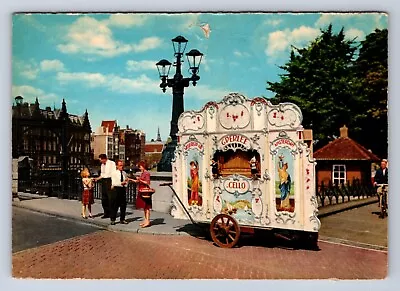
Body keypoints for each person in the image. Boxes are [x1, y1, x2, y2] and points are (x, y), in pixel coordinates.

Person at [93, 154, 116, 219]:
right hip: (104, 181)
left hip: (110, 180)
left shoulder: (112, 163)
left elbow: (113, 174)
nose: (100, 161)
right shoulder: (102, 165)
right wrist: (97, 179)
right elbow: (102, 174)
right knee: (104, 198)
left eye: (100, 160)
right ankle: (106, 213)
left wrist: (113, 184)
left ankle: (112, 213)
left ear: (104, 159)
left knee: (110, 198)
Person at [130, 161, 152, 228]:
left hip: (145, 191)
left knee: (147, 206)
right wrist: (131, 179)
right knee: (144, 207)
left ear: (143, 166)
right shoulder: (143, 173)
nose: (140, 168)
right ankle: (145, 220)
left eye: (140, 166)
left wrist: (140, 180)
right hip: (141, 190)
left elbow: (148, 182)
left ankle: (147, 221)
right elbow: (138, 181)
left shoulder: (146, 173)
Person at [110, 160, 128, 225]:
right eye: (120, 165)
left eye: (122, 165)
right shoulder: (114, 173)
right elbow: (114, 183)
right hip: (116, 189)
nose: (122, 167)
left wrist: (125, 183)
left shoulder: (124, 173)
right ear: (117, 166)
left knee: (123, 205)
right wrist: (121, 183)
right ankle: (113, 219)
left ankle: (122, 219)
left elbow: (126, 181)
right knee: (115, 205)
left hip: (123, 189)